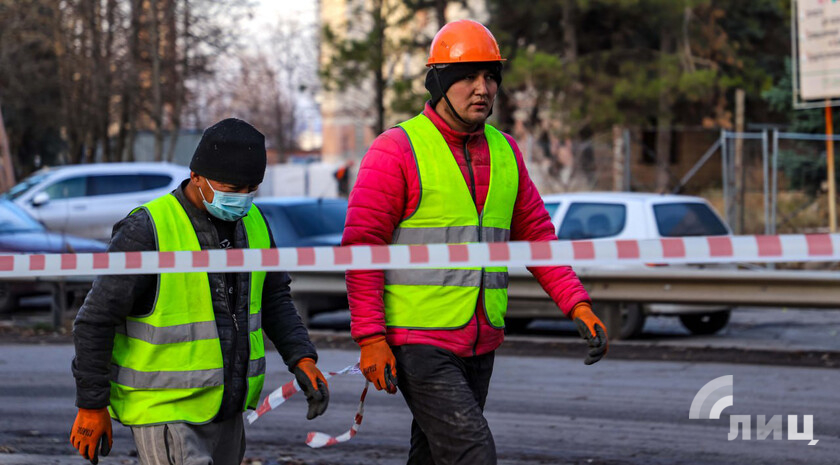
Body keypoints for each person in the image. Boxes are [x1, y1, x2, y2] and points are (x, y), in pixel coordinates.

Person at [342, 19, 609, 465]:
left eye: (490, 77)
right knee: (472, 454)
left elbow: (538, 238)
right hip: (419, 341)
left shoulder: (506, 152)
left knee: (433, 456)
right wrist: (370, 337)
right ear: (440, 83)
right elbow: (362, 247)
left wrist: (577, 304)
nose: (482, 88)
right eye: (467, 77)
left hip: (480, 341)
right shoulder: (397, 150)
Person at [70, 118, 329, 465]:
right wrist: (91, 405)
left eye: (250, 189)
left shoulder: (255, 224)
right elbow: (95, 320)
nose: (241, 199)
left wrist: (302, 357)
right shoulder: (148, 229)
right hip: (163, 410)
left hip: (227, 407)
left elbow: (274, 299)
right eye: (231, 188)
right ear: (196, 177)